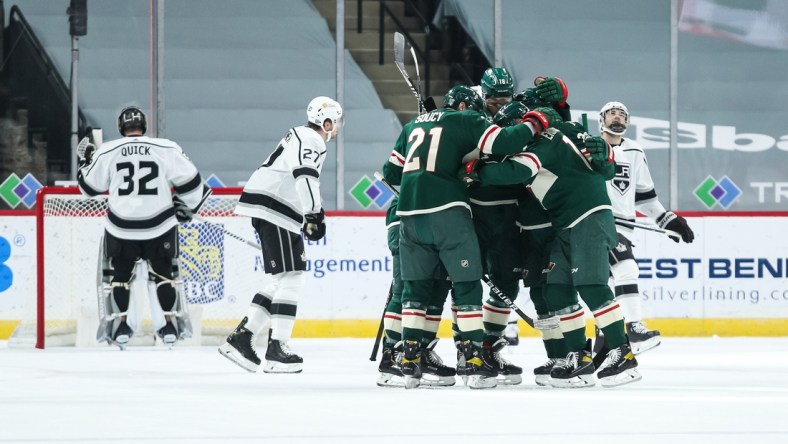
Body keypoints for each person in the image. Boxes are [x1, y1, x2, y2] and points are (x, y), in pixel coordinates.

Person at [382, 84, 559, 389]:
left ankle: (406, 361)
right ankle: (473, 358)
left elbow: (391, 172)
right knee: (465, 284)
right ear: (465, 108)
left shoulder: (412, 124)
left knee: (416, 288)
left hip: (408, 215)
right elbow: (505, 141)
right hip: (448, 211)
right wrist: (536, 121)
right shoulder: (465, 120)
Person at [466, 110, 643, 388]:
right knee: (556, 287)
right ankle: (578, 357)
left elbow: (514, 172)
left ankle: (623, 352)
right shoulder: (544, 140)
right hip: (566, 224)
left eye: (508, 130)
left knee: (592, 285)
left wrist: (474, 168)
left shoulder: (542, 143)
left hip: (589, 217)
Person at [219, 96, 342, 374]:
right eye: (335, 122)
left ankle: (243, 337)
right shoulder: (313, 139)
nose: (337, 128)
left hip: (272, 208)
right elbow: (305, 174)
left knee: (283, 279)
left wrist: (314, 211)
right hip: (276, 209)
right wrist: (313, 213)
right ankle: (277, 348)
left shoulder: (300, 135)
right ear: (326, 121)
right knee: (292, 278)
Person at [77, 105, 209, 349]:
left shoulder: (108, 150)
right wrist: (187, 206)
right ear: (144, 126)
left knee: (120, 278)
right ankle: (169, 327)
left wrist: (84, 162)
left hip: (121, 227)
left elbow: (88, 189)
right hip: (160, 224)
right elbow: (192, 183)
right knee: (163, 276)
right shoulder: (166, 147)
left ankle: (122, 327)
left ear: (121, 127)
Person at [597, 101, 695, 355]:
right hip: (599, 223)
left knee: (604, 285)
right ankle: (634, 329)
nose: (617, 117)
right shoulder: (590, 146)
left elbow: (645, 197)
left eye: (622, 114)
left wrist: (666, 220)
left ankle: (605, 342)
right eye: (612, 113)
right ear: (601, 120)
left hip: (624, 227)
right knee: (626, 268)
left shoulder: (635, 152)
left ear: (628, 123)